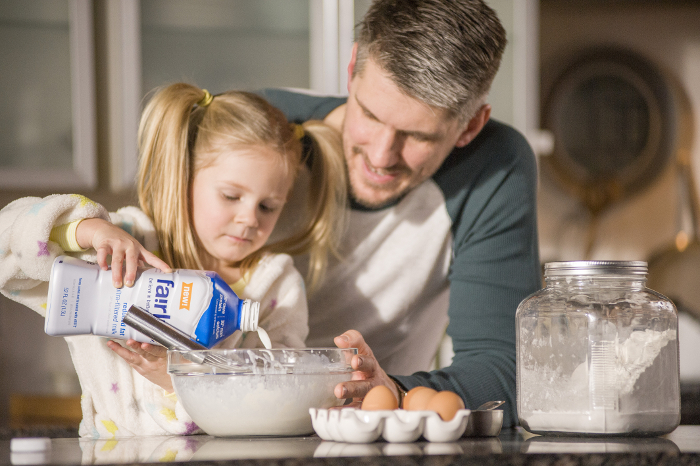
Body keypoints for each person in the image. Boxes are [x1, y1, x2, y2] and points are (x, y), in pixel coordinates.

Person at [0, 83, 347, 437]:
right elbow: (6, 250)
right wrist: (88, 231)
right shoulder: (126, 243)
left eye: (268, 206)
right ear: (185, 178)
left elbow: (280, 394)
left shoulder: (276, 286)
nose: (249, 218)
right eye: (231, 196)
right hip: (115, 453)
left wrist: (180, 377)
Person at [260, 0, 541, 427]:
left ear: (470, 126)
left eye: (417, 135)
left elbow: (505, 369)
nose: (380, 155)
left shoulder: (493, 167)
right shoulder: (257, 126)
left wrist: (395, 391)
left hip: (381, 441)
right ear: (353, 65)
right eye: (369, 114)